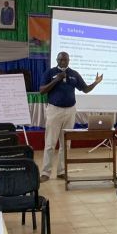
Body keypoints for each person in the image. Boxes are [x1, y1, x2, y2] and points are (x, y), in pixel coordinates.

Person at [38, 51, 103, 181]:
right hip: (54, 110)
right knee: (50, 143)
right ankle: (45, 173)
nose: (63, 62)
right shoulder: (50, 73)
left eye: (65, 60)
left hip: (70, 111)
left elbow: (85, 89)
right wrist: (57, 79)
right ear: (57, 60)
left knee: (66, 144)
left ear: (69, 61)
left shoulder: (74, 74)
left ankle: (62, 171)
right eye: (61, 59)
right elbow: (42, 91)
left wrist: (95, 83)